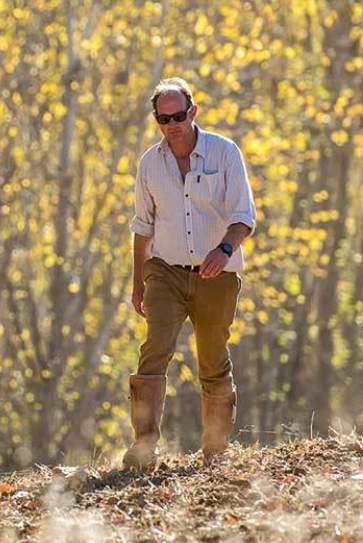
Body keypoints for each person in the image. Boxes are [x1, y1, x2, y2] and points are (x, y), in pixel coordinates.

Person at [123, 78, 256, 468]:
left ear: (193, 112)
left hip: (217, 273)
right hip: (165, 272)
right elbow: (142, 227)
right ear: (156, 120)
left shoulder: (225, 153)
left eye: (178, 116)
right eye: (164, 119)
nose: (172, 125)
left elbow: (244, 217)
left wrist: (225, 250)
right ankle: (144, 445)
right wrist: (138, 283)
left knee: (212, 357)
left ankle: (215, 448)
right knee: (154, 351)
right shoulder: (150, 163)